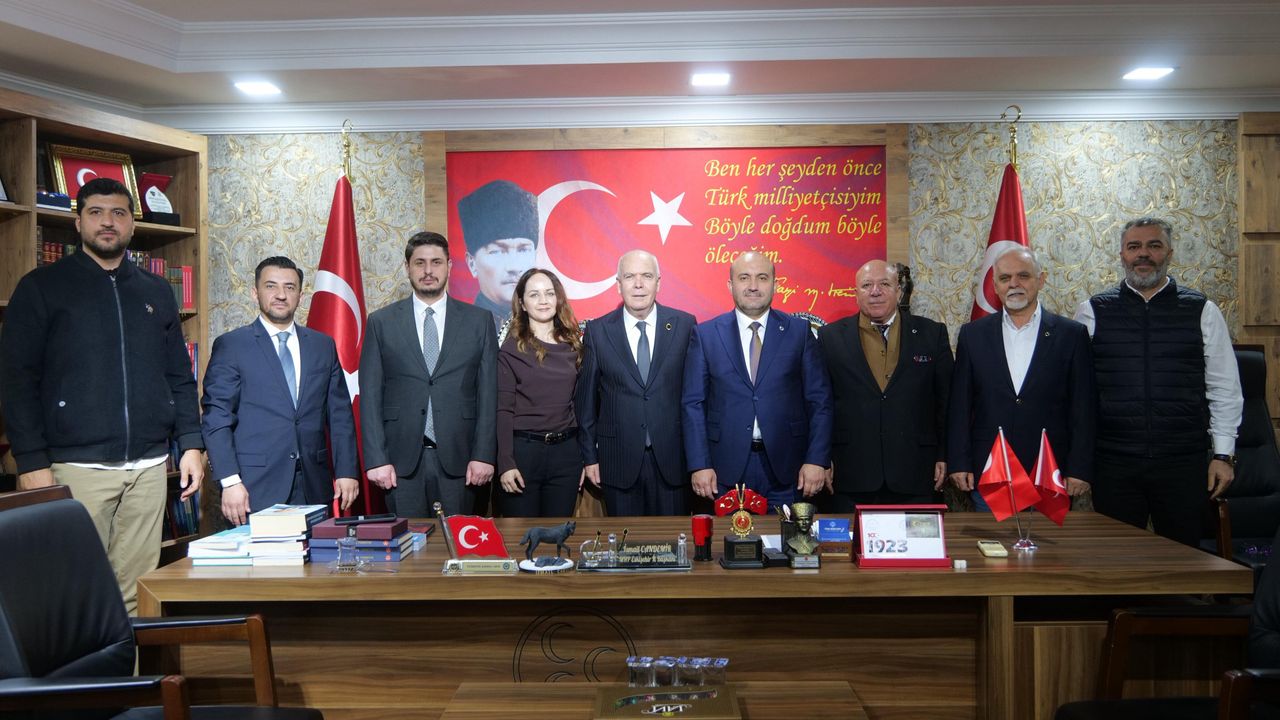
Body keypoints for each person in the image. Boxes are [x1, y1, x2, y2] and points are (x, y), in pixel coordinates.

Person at [0, 177, 203, 614]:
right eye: (96, 213)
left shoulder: (156, 291)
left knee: (137, 594)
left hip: (149, 468)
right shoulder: (41, 287)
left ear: (132, 224)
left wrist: (191, 444)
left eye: (118, 213)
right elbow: (17, 382)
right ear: (78, 223)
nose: (107, 222)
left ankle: (130, 663)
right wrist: (31, 463)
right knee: (72, 592)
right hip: (75, 469)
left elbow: (179, 376)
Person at [1075, 217, 1242, 546]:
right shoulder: (1092, 311)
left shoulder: (1202, 311)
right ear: (1122, 255)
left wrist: (1223, 456)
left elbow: (1225, 388)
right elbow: (1078, 395)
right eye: (1134, 246)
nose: (1143, 254)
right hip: (1114, 462)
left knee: (1183, 557)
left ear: (1169, 253)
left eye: (1154, 245)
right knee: (1119, 557)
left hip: (1182, 462)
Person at [201, 256, 360, 525]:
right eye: (271, 286)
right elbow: (216, 417)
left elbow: (340, 415)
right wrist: (230, 481)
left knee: (315, 553)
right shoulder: (232, 345)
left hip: (313, 484)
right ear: (255, 293)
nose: (281, 295)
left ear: (300, 295)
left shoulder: (322, 346)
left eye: (289, 287)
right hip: (252, 487)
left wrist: (346, 471)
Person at [359, 231, 497, 517]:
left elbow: (488, 393)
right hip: (399, 463)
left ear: (449, 266)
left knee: (458, 542)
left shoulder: (479, 321)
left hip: (462, 461)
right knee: (407, 543)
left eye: (436, 262)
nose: (428, 271)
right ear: (407, 267)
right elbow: (370, 396)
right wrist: (376, 459)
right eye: (419, 263)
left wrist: (483, 455)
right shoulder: (381, 322)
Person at [948, 247, 1096, 509]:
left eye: (1023, 276)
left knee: (1049, 539)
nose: (1014, 284)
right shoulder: (973, 335)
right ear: (995, 286)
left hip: (1051, 475)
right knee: (992, 538)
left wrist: (1080, 468)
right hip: (991, 473)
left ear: (1041, 280)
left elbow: (1084, 407)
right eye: (1005, 278)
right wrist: (959, 462)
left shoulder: (1071, 335)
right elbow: (960, 405)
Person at [682, 251, 833, 508]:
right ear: (730, 285)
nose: (753, 286)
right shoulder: (706, 335)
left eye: (762, 278)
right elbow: (693, 404)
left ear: (775, 284)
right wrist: (699, 464)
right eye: (744, 278)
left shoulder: (799, 332)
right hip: (723, 471)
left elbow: (820, 401)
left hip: (789, 471)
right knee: (728, 536)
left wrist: (817, 459)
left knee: (786, 535)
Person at [818, 259, 953, 510]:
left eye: (884, 284)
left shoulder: (932, 334)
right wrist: (821, 458)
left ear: (899, 291)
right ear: (856, 293)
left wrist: (944, 455)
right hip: (849, 475)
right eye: (866, 285)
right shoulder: (830, 337)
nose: (875, 291)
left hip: (916, 472)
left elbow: (946, 403)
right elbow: (820, 405)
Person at [575, 250, 696, 516]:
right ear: (619, 285)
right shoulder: (597, 331)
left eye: (647, 276)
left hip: (674, 462)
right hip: (617, 464)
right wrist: (589, 457)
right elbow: (585, 405)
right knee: (625, 541)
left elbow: (696, 398)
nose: (638, 284)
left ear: (658, 283)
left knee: (673, 541)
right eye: (630, 277)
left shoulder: (685, 325)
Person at [496, 269, 585, 517]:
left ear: (558, 299)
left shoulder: (575, 345)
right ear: (523, 304)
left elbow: (581, 405)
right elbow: (503, 410)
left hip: (566, 455)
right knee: (522, 536)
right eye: (534, 295)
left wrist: (583, 458)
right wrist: (505, 462)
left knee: (558, 535)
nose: (543, 300)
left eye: (549, 293)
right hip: (523, 455)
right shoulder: (511, 349)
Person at [458, 180, 539, 332]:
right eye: (497, 252)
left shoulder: (550, 327)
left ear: (535, 256)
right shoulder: (461, 329)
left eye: (523, 250)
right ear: (472, 263)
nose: (514, 267)